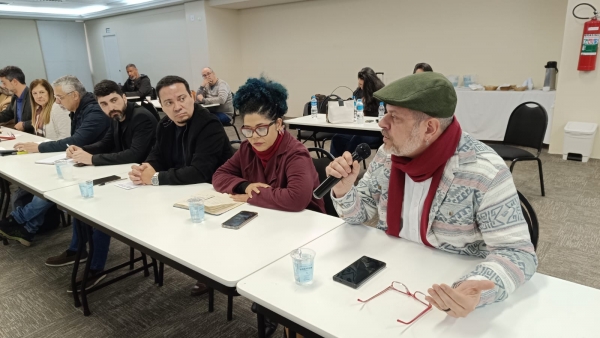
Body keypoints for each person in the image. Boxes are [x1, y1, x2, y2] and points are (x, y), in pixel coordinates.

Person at [326, 72, 537, 318]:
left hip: (447, 285)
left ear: (429, 128)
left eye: (394, 116)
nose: (382, 122)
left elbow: (517, 253)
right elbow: (360, 214)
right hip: (392, 270)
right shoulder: (388, 154)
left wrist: (476, 290)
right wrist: (344, 188)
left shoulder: (484, 171)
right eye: (386, 112)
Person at [43, 79, 158, 291]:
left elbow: (136, 154)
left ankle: (96, 269)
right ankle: (78, 249)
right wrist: (80, 149)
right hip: (125, 177)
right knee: (82, 202)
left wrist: (92, 159)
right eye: (104, 104)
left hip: (146, 183)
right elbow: (106, 143)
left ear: (124, 97)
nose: (110, 107)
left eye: (114, 100)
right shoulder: (115, 117)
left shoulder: (142, 118)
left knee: (99, 211)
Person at [129, 75, 233, 297]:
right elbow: (157, 157)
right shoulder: (164, 125)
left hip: (214, 194)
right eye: (168, 103)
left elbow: (200, 172)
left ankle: (209, 269)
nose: (177, 107)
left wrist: (154, 178)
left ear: (192, 96)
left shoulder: (209, 125)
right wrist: (144, 168)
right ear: (162, 106)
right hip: (180, 188)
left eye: (182, 98)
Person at [0, 76, 110, 247]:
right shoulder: (78, 110)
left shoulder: (93, 112)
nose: (57, 102)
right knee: (45, 186)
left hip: (98, 166)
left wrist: (39, 148)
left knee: (53, 187)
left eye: (59, 97)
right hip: (84, 160)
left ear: (74, 95)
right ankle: (26, 227)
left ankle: (18, 220)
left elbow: (75, 140)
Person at [213, 76, 325, 213]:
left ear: (278, 124)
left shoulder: (295, 153)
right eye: (248, 130)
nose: (254, 137)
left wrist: (253, 195)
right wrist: (245, 186)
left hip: (305, 223)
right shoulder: (247, 149)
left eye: (261, 129)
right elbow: (219, 175)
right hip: (267, 216)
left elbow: (297, 198)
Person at [329, 67, 385, 157]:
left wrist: (365, 109)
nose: (360, 87)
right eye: (359, 84)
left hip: (375, 132)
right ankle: (334, 163)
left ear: (369, 85)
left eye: (362, 85)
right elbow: (352, 102)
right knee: (337, 138)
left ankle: (347, 165)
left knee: (356, 139)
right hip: (359, 128)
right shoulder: (359, 91)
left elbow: (381, 115)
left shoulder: (381, 93)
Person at [0, 66, 33, 133]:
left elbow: (44, 118)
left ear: (14, 82)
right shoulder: (14, 98)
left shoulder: (34, 96)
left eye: (4, 83)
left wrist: (25, 125)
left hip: (35, 137)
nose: (3, 86)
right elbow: (7, 114)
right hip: (21, 135)